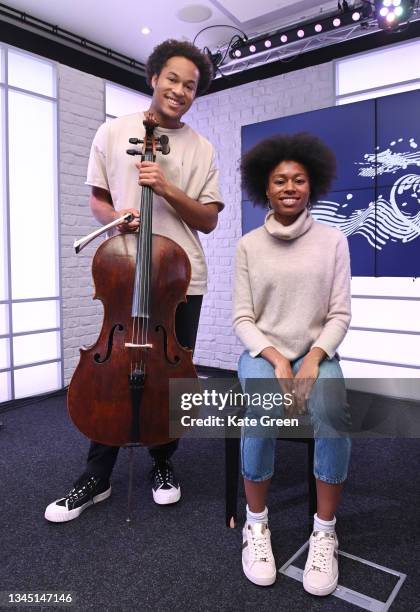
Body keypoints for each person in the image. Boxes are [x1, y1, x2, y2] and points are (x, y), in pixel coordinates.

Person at [45, 39, 223, 522]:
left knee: (171, 378)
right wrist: (117, 215)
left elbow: (207, 220)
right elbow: (97, 200)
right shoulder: (113, 131)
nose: (180, 91)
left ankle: (163, 463)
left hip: (180, 277)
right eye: (173, 79)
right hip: (125, 272)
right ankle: (97, 474)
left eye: (190, 86)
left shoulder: (201, 148)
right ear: (153, 78)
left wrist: (165, 187)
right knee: (112, 371)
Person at [233, 133, 351, 595]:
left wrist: (314, 357)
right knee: (262, 406)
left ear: (311, 186)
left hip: (318, 351)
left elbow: (340, 314)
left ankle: (325, 532)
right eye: (280, 180)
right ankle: (256, 526)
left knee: (332, 412)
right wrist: (277, 357)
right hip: (264, 351)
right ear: (266, 187)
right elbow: (242, 318)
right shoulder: (248, 246)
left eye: (298, 180)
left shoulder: (333, 241)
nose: (289, 187)